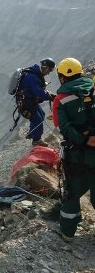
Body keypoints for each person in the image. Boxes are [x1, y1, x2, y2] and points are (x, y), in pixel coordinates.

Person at [51, 57, 95, 242]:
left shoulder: (60, 100)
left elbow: (62, 126)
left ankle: (68, 233)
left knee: (72, 192)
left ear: (62, 77)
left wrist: (81, 140)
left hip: (77, 156)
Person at [16, 58, 56, 146]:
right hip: (26, 103)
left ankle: (31, 132)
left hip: (28, 100)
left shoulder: (35, 73)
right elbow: (40, 93)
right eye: (49, 70)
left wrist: (49, 95)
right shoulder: (32, 77)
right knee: (37, 119)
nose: (49, 73)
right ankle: (36, 140)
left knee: (41, 114)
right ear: (45, 68)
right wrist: (50, 96)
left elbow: (36, 89)